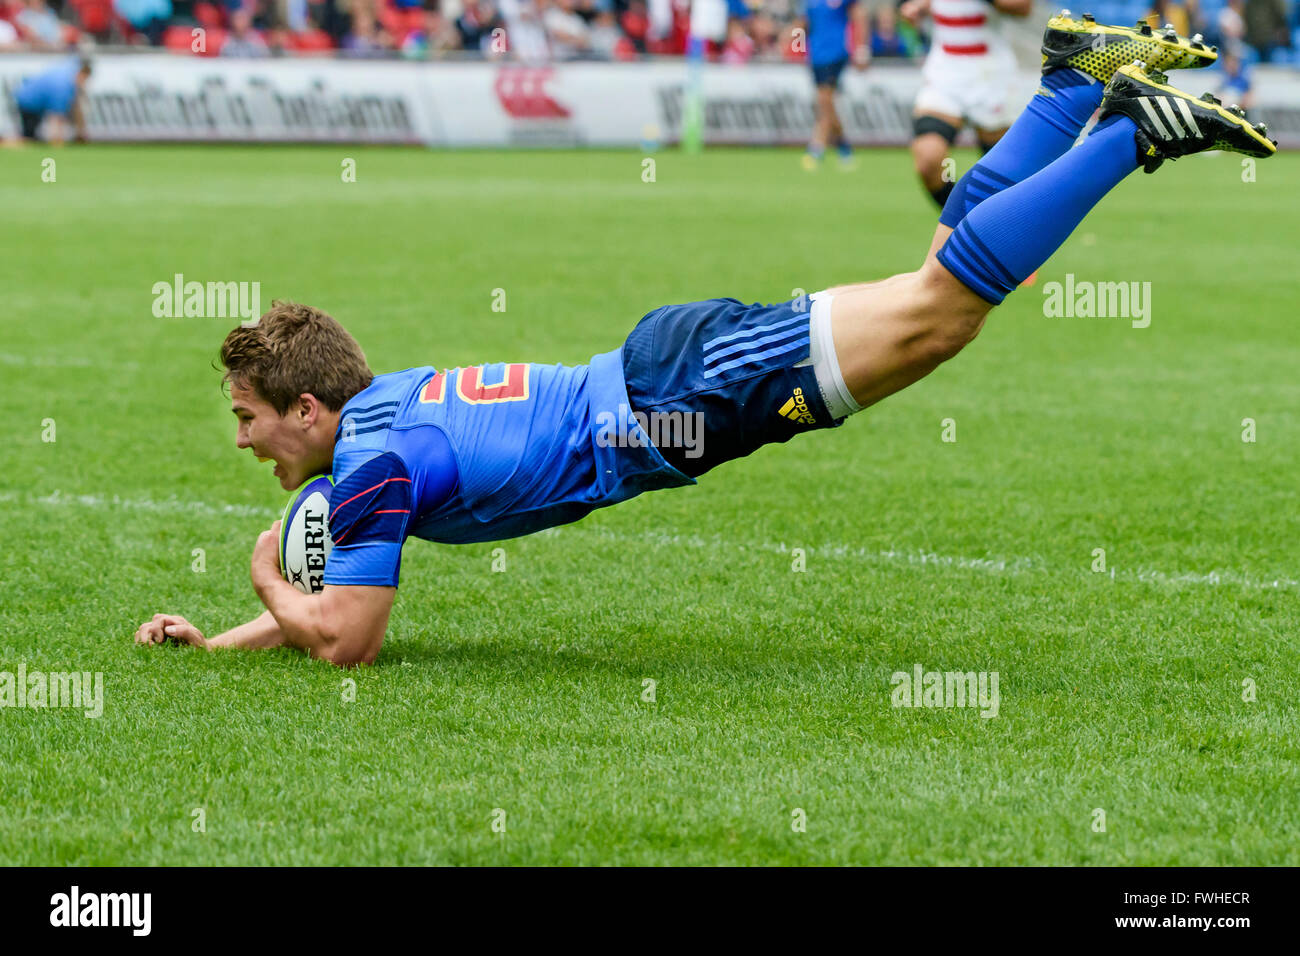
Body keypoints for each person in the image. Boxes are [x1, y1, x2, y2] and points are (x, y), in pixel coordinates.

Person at [133, 15, 1275, 667]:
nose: (238, 439)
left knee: (937, 315)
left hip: (670, 400)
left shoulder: (370, 471)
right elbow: (326, 586)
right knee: (932, 301)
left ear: (310, 411)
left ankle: (1126, 133)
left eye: (247, 416)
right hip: (660, 376)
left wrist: (257, 569)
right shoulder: (375, 428)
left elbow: (344, 639)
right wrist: (222, 640)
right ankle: (1069, 85)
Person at [902, 0, 1032, 209]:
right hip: (944, 73)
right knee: (930, 160)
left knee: (1003, 173)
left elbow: (1023, 7)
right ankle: (958, 215)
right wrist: (916, 8)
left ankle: (997, 222)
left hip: (991, 76)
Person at [800, 0, 868, 171]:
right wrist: (794, 42)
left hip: (835, 53)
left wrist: (861, 49)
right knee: (826, 103)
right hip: (815, 55)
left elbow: (859, 16)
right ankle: (844, 147)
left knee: (825, 100)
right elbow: (803, 23)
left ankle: (816, 148)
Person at [5, 55, 91, 146]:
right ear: (81, 74)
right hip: (28, 102)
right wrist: (57, 140)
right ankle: (5, 143)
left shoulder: (68, 71)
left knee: (32, 136)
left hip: (29, 99)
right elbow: (56, 116)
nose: (84, 83)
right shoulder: (63, 85)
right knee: (29, 138)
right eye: (84, 79)